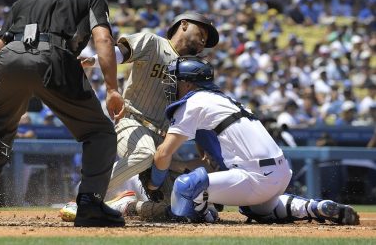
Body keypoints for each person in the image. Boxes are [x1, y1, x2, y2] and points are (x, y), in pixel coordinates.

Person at [0, 0, 125, 227]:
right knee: (100, 133)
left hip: (10, 60)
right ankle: (90, 204)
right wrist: (113, 88)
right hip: (55, 59)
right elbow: (103, 39)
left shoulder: (22, 2)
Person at [144, 56, 359, 225]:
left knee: (185, 187)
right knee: (257, 208)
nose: (171, 85)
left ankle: (203, 217)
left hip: (254, 178)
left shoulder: (193, 102)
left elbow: (163, 154)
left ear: (188, 84)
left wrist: (153, 184)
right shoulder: (225, 100)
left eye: (175, 80)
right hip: (282, 173)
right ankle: (313, 207)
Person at [67, 12, 219, 220]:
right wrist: (94, 59)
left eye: (207, 40)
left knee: (180, 207)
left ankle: (128, 206)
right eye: (202, 31)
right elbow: (120, 53)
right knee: (145, 153)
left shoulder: (193, 68)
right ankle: (86, 196)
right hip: (133, 122)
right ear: (183, 24)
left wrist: (204, 143)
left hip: (164, 140)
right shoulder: (153, 43)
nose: (204, 40)